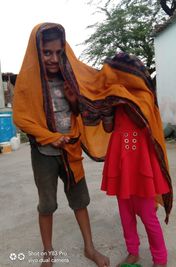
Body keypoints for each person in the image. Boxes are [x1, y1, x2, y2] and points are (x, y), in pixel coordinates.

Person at [13, 23, 110, 267]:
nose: (54, 58)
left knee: (80, 201)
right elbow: (21, 118)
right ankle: (48, 253)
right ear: (36, 51)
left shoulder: (71, 77)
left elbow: (78, 111)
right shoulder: (27, 81)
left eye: (58, 52)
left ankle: (90, 248)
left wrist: (73, 101)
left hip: (71, 151)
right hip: (44, 154)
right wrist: (49, 136)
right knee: (47, 205)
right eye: (47, 52)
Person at [78, 54, 173, 267]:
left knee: (148, 216)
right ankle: (133, 252)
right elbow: (108, 128)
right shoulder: (112, 99)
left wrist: (117, 96)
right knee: (125, 214)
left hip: (141, 163)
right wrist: (107, 108)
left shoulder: (144, 96)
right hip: (121, 161)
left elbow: (141, 120)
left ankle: (161, 259)